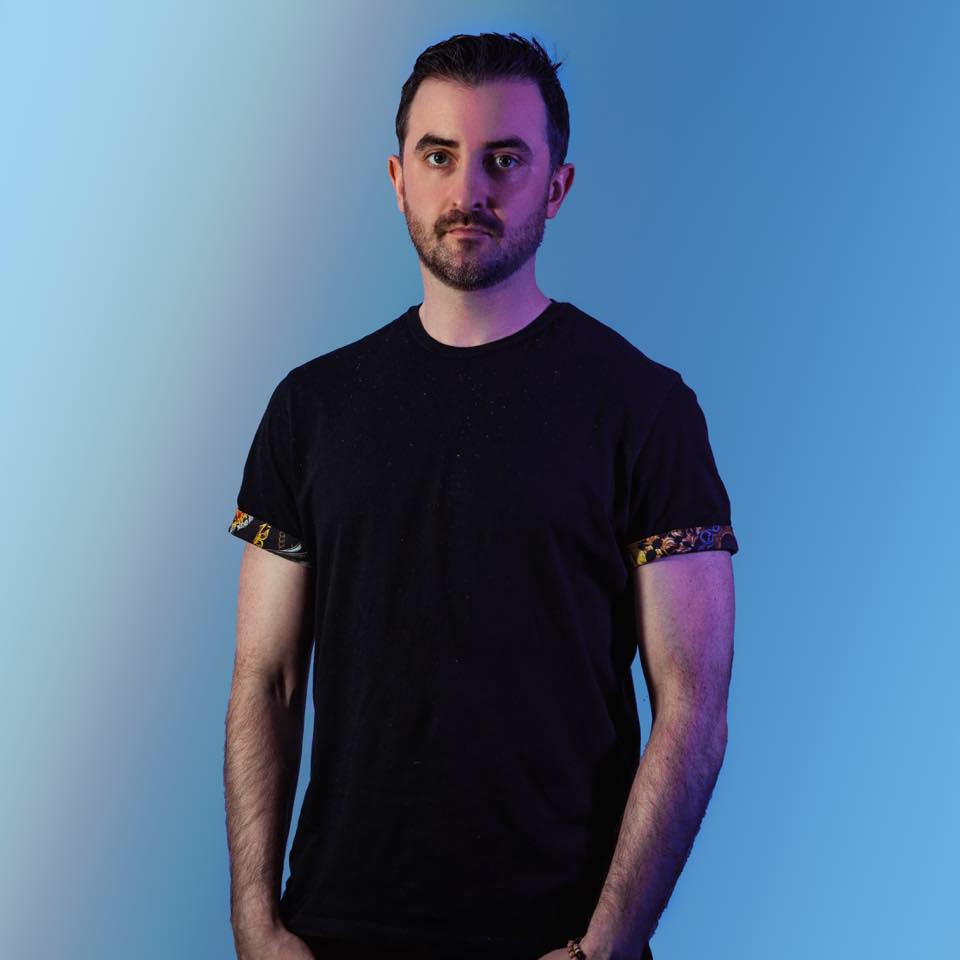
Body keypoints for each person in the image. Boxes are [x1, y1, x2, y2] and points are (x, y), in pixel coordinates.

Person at [224, 31, 738, 960]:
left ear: (556, 186)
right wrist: (256, 926)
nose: (469, 191)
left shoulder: (645, 410)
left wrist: (605, 948)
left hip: (557, 939)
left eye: (505, 159)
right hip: (333, 931)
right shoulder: (311, 408)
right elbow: (267, 678)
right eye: (439, 156)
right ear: (397, 179)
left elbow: (693, 704)